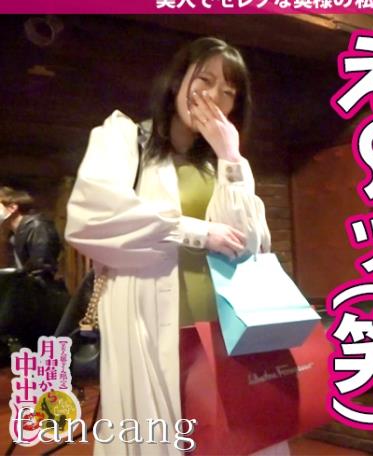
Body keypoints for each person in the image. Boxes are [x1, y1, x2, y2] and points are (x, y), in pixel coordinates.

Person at [65, 36, 272, 455]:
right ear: (178, 80)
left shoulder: (224, 162)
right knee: (160, 437)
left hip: (222, 329)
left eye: (229, 91)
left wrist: (230, 155)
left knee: (228, 440)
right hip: (149, 321)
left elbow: (251, 243)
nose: (214, 97)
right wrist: (196, 232)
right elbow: (91, 219)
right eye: (205, 80)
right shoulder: (125, 138)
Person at [0, 186, 62, 282]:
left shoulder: (38, 227)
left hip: (38, 289)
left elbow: (41, 269)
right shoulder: (14, 234)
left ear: (12, 208)